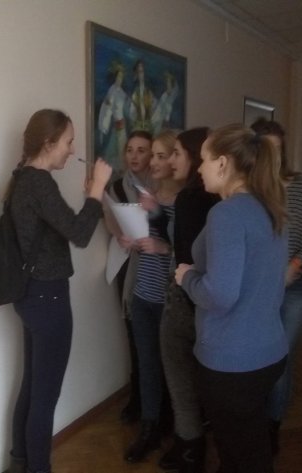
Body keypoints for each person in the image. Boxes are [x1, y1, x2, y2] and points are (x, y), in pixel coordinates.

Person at [3, 109, 112, 473]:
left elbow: (66, 226)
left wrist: (90, 199)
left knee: (33, 386)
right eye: (68, 141)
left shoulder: (21, 177)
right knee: (45, 396)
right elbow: (80, 234)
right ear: (48, 143)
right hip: (47, 298)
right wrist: (96, 192)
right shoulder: (39, 182)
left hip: (30, 296)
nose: (72, 149)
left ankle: (20, 462)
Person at [175, 124, 288, 473]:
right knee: (248, 450)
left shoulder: (227, 214)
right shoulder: (269, 206)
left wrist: (186, 277)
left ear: (223, 163)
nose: (199, 168)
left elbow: (220, 295)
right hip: (268, 352)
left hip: (233, 361)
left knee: (241, 455)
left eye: (204, 160)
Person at [251, 118, 302, 455]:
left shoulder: (299, 186)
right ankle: (256, 419)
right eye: (266, 149)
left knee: (280, 358)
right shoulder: (246, 192)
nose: (274, 157)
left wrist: (294, 267)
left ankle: (272, 425)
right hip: (256, 292)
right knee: (257, 357)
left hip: (294, 290)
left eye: (278, 150)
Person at [158, 127, 220, 473]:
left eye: (177, 153)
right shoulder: (222, 200)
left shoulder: (188, 200)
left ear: (197, 158)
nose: (172, 160)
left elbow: (184, 257)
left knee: (181, 383)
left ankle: (189, 451)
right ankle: (189, 446)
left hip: (186, 298)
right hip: (211, 304)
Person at [124, 129, 182, 463]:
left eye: (161, 156)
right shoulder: (149, 195)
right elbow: (144, 238)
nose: (153, 162)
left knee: (173, 369)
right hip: (143, 294)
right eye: (154, 155)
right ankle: (149, 429)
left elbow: (192, 253)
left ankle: (180, 433)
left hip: (169, 300)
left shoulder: (186, 200)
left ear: (176, 159)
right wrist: (133, 242)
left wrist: (163, 247)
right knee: (147, 365)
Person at [103, 130, 154, 425]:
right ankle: (138, 397)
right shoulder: (116, 187)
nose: (134, 156)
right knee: (134, 334)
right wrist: (120, 236)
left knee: (156, 337)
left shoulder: (160, 185)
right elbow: (112, 223)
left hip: (156, 264)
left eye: (142, 150)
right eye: (130, 150)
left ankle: (158, 400)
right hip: (128, 265)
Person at [97, 61, 129, 172]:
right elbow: (107, 110)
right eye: (118, 76)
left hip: (122, 126)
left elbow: (127, 109)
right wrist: (103, 129)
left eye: (122, 77)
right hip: (116, 126)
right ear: (115, 77)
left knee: (122, 151)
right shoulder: (112, 90)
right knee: (112, 152)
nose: (120, 79)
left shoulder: (122, 93)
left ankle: (122, 173)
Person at [128, 60, 156, 133]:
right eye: (139, 72)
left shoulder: (149, 92)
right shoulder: (135, 93)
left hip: (148, 127)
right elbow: (132, 113)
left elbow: (153, 108)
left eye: (142, 71)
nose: (141, 74)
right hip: (138, 127)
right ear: (136, 74)